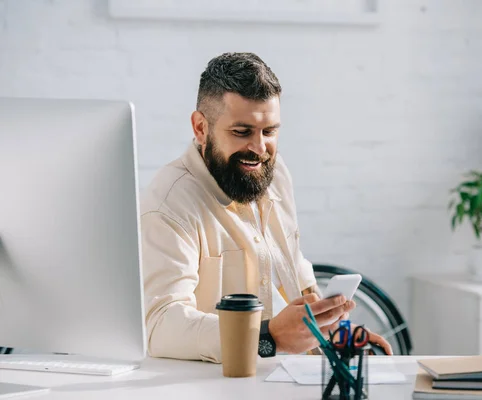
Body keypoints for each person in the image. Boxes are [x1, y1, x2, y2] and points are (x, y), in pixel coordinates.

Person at [140, 52, 392, 363]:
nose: (259, 149)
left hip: (286, 378)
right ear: (201, 128)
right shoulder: (169, 204)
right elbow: (161, 326)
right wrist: (265, 337)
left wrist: (333, 333)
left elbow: (293, 274)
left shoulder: (275, 173)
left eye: (269, 131)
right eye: (242, 132)